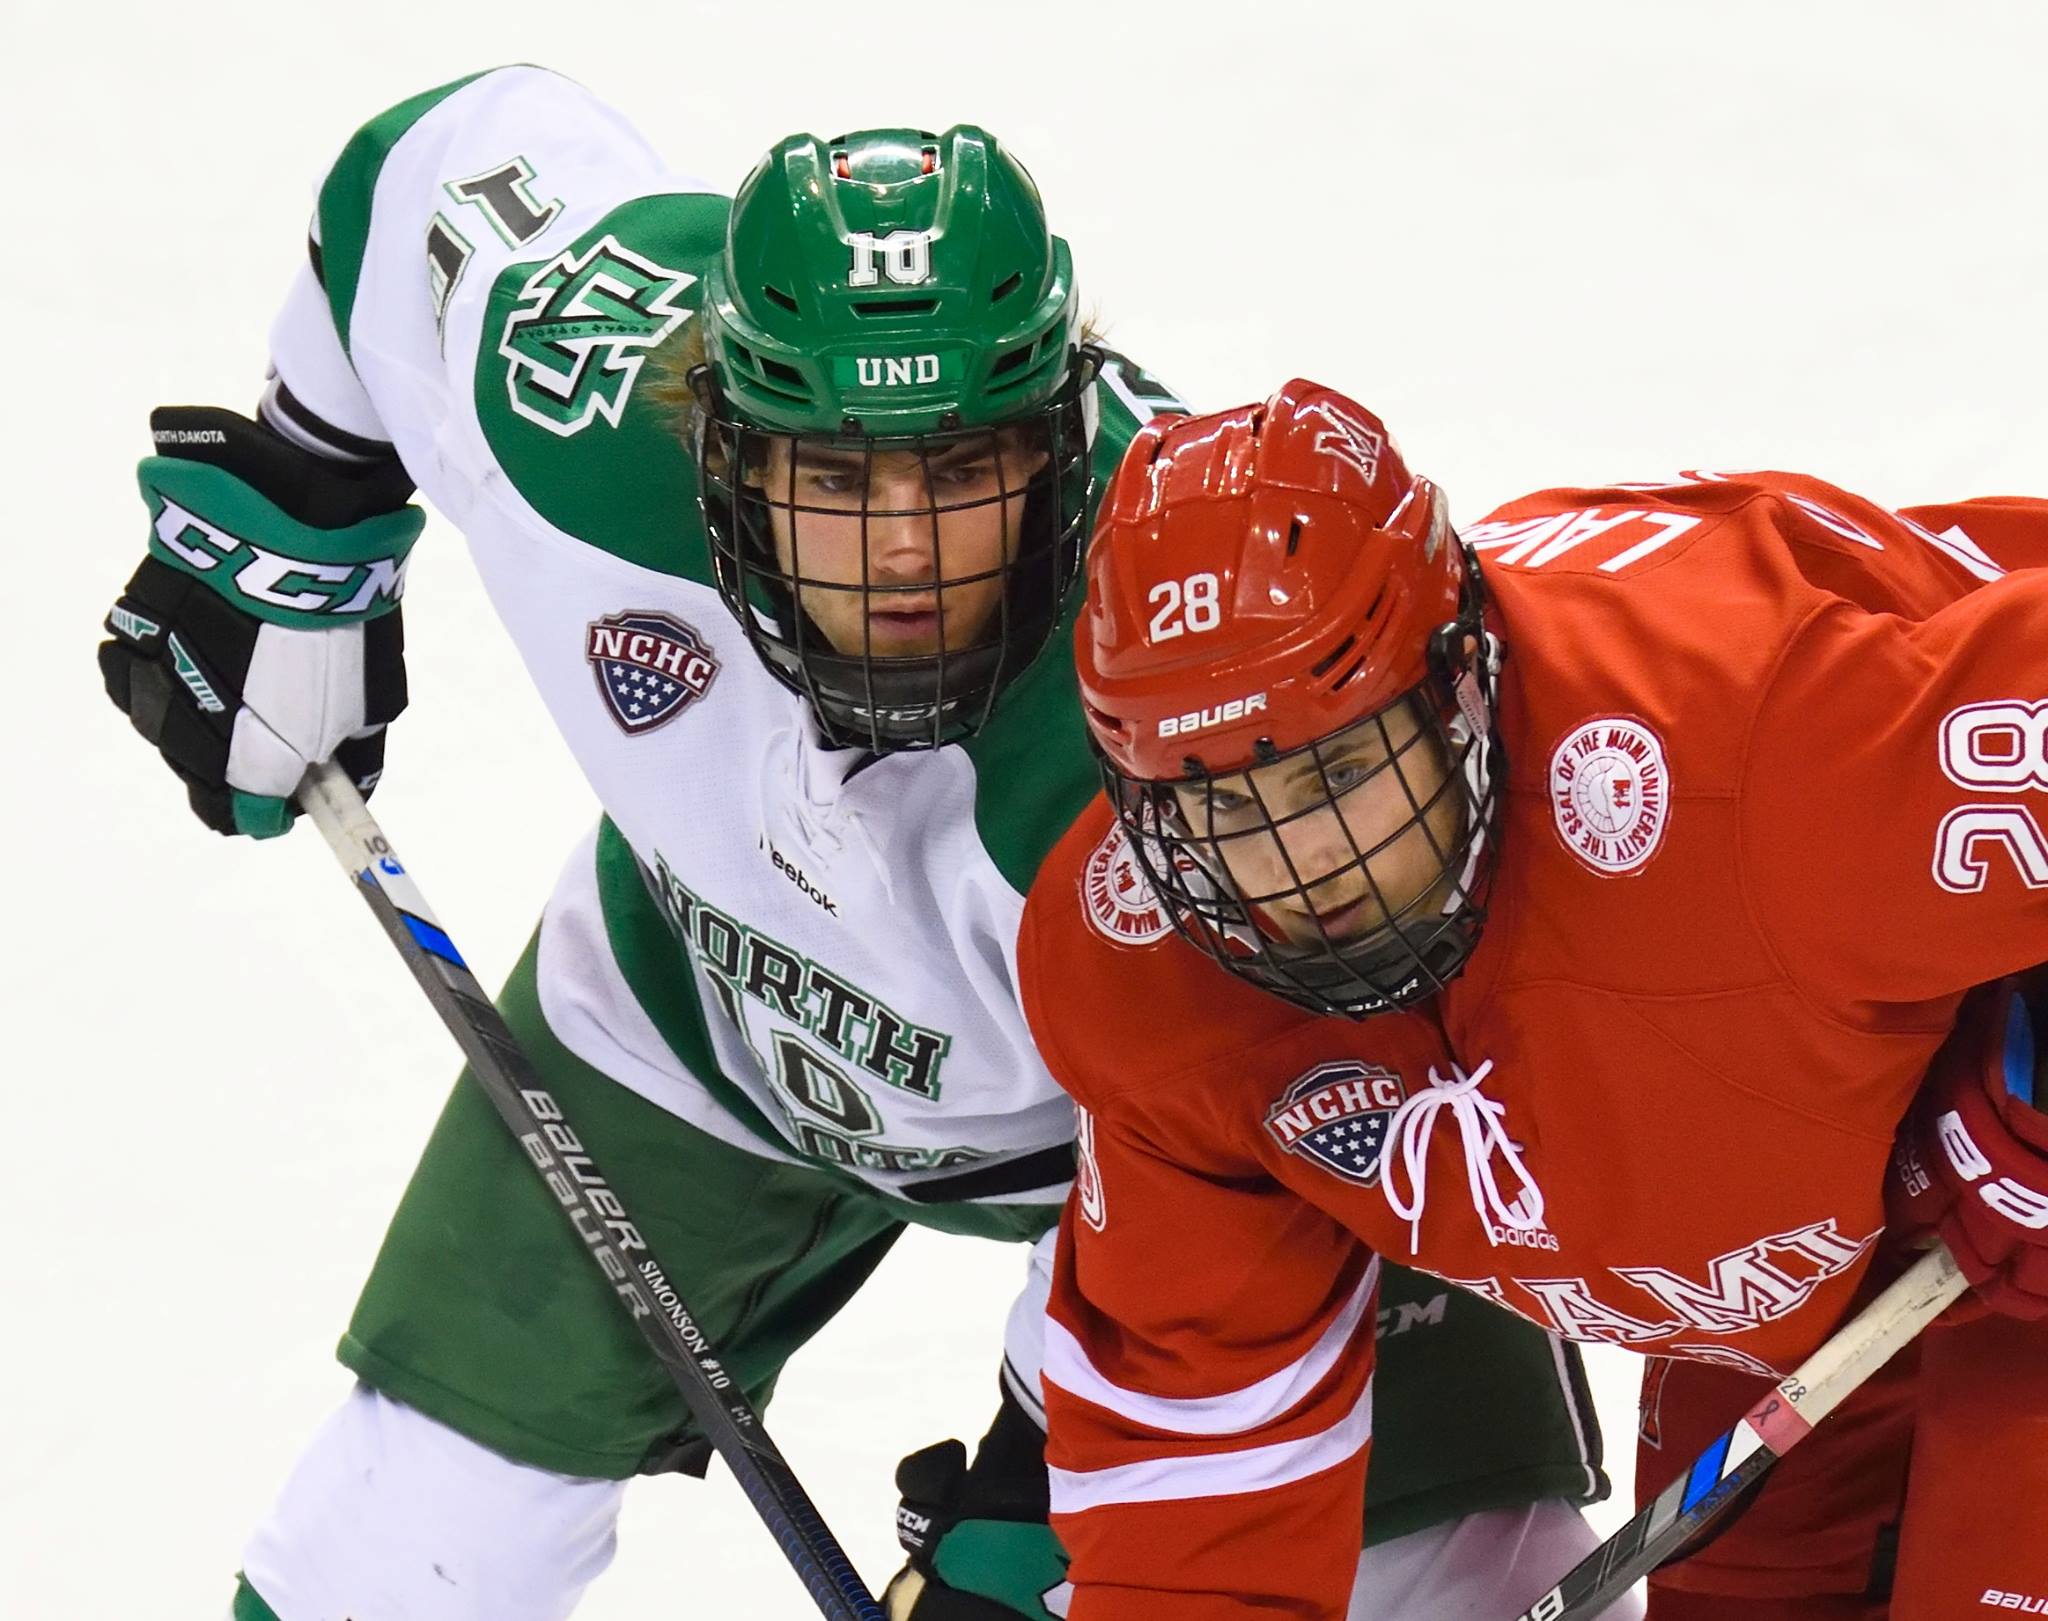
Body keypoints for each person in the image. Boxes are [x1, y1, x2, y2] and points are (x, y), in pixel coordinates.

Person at [97, 69, 1617, 1621]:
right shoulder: (581, 396)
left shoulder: (1204, 719)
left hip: (1191, 1149)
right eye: (832, 477)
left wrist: (1033, 1494)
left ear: (1060, 443)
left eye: (962, 470)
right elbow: (419, 174)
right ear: (719, 442)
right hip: (699, 1009)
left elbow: (1237, 1189)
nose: (901, 553)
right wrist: (307, 514)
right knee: (394, 1552)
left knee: (1472, 1581)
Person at [1021, 377, 2048, 1620]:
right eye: (1220, 804)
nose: (1298, 865)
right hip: (1798, 1268)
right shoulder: (1144, 976)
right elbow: (1195, 1489)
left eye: (1336, 772)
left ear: (1456, 683)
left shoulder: (1746, 764)